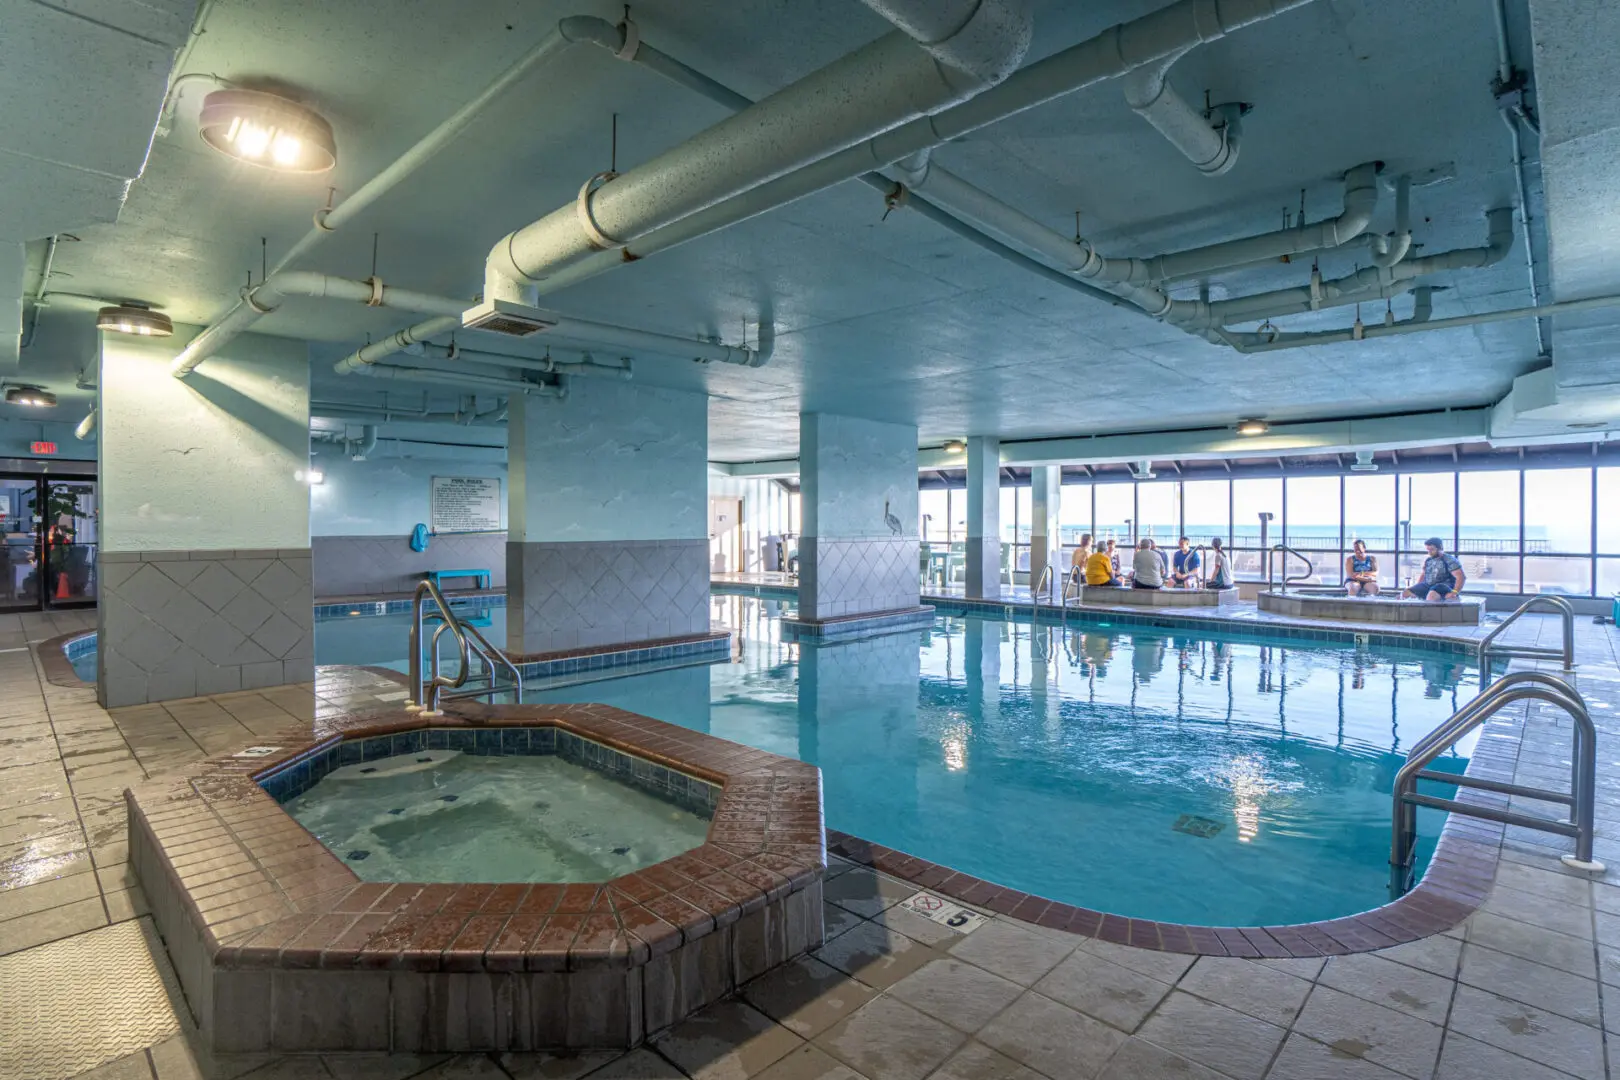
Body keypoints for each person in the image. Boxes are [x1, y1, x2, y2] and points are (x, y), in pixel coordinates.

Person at [1403, 537, 1465, 602]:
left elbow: (1461, 577)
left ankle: (1430, 608)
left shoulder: (1449, 560)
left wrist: (1454, 592)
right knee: (1406, 593)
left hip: (1444, 586)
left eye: (1432, 549)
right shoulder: (1428, 560)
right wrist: (1417, 587)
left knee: (1431, 595)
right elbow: (1423, 575)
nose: (1429, 552)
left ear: (1440, 547)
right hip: (1429, 586)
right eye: (1428, 550)